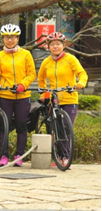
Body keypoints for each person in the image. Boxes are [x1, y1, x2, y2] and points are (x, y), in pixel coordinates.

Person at [37, 32, 88, 168]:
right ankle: (59, 156)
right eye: (52, 44)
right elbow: (41, 78)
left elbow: (82, 73)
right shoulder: (46, 62)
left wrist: (80, 83)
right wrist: (43, 91)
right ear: (48, 47)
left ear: (63, 45)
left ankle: (66, 157)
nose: (55, 47)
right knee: (56, 127)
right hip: (54, 99)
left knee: (65, 126)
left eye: (58, 44)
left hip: (69, 98)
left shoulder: (71, 59)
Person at [0, 23, 36, 167]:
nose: (10, 40)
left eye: (13, 37)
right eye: (7, 37)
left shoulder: (26, 54)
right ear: (3, 38)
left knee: (22, 127)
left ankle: (19, 155)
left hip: (22, 96)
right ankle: (3, 156)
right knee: (4, 127)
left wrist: (22, 85)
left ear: (18, 38)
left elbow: (32, 73)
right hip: (6, 96)